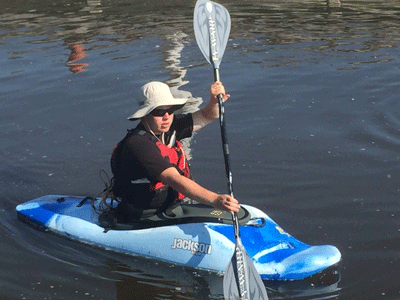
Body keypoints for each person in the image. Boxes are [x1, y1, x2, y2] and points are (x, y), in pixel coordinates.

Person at [110, 81, 240, 222]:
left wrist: (214, 101)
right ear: (145, 115)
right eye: (159, 112)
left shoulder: (169, 127)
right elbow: (174, 179)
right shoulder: (138, 144)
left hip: (170, 208)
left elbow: (207, 115)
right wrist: (215, 200)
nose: (166, 116)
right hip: (143, 215)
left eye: (170, 110)